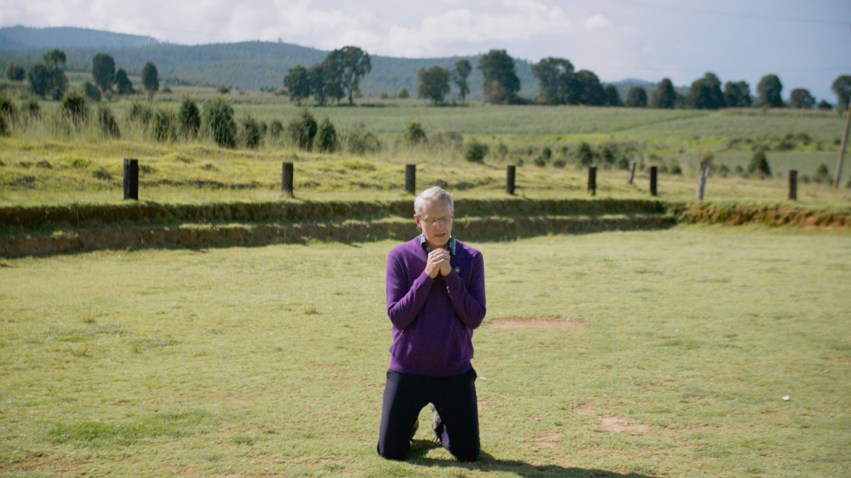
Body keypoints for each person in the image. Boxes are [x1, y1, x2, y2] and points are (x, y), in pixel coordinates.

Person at [376, 186, 486, 462]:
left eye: (445, 218)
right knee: (390, 452)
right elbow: (398, 317)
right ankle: (408, 421)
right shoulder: (399, 257)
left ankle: (441, 421)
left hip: (454, 370)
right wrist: (426, 275)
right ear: (418, 220)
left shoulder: (471, 258)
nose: (439, 226)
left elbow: (474, 317)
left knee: (467, 454)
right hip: (408, 368)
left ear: (453, 217)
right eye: (432, 219)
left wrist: (450, 275)